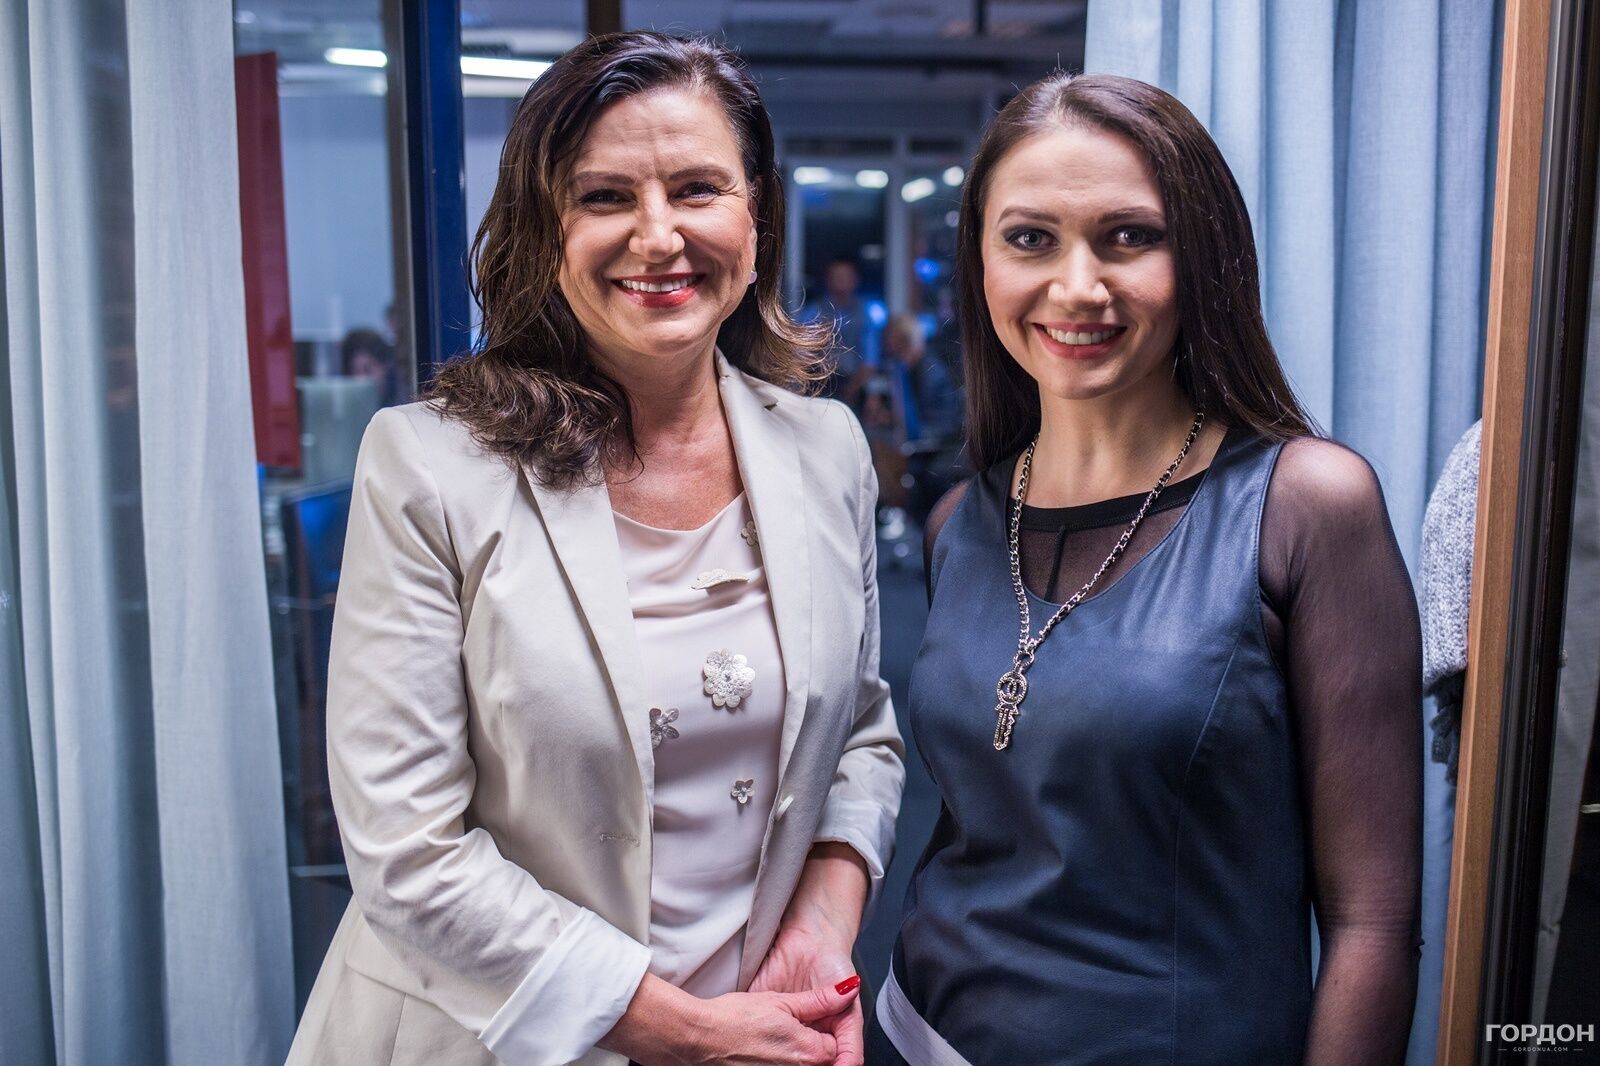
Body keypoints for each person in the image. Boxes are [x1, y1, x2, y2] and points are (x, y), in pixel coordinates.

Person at [287, 32, 904, 1066]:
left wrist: (819, 929)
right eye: (605, 197)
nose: (657, 236)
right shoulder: (429, 466)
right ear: (546, 232)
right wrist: (684, 1032)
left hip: (759, 1033)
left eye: (697, 188)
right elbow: (407, 850)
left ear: (755, 214)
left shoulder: (825, 449)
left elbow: (861, 735)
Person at [868, 72, 1422, 1063]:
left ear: (1198, 257)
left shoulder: (1305, 507)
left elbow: (1371, 924)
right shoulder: (962, 519)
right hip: (920, 1034)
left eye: (1128, 236)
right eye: (1030, 239)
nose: (1077, 286)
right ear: (980, 262)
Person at [803, 258, 879, 408]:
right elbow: (801, 353)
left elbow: (870, 360)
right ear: (828, 280)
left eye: (846, 276)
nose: (841, 281)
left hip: (855, 386)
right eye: (837, 276)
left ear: (855, 280)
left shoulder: (864, 314)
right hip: (818, 385)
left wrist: (853, 388)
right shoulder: (814, 312)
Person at [341, 327, 398, 407]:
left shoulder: (401, 404)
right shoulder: (347, 406)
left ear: (385, 366)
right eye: (355, 371)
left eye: (367, 370)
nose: (361, 380)